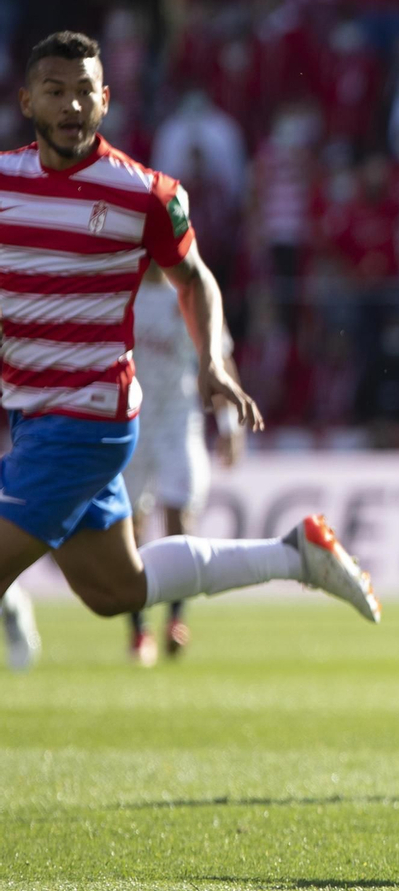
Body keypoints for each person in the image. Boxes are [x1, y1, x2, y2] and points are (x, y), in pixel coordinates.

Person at [0, 32, 380, 637]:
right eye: (54, 91)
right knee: (115, 590)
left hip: (85, 421)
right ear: (26, 101)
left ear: (106, 99)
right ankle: (295, 554)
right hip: (31, 415)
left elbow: (196, 280)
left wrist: (212, 362)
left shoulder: (145, 194)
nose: (71, 105)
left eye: (84, 91)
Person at [120, 263, 246, 664]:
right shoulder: (123, 289)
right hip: (131, 420)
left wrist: (229, 424)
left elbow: (219, 358)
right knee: (130, 527)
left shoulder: (193, 291)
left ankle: (176, 617)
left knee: (180, 515)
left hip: (179, 420)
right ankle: (138, 627)